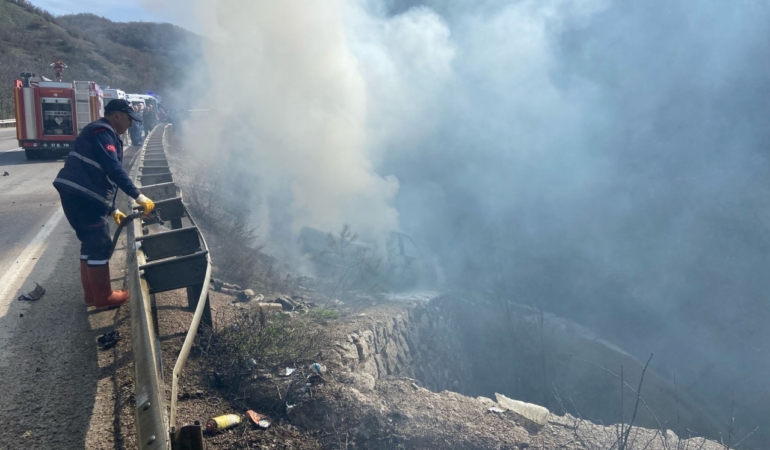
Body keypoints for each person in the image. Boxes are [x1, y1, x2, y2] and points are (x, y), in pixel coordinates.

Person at [53, 99, 156, 309]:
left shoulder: (100, 131)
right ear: (116, 116)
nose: (131, 124)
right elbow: (112, 169)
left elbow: (99, 176)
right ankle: (104, 298)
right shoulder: (103, 132)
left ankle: (91, 295)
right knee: (100, 245)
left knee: (89, 243)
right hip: (83, 195)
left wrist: (112, 209)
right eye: (129, 119)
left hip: (78, 193)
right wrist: (139, 196)